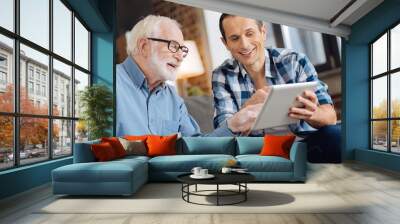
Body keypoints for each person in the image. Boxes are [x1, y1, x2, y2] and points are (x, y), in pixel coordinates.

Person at [212, 14, 341, 163]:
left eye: (250, 33)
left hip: (304, 145)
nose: (244, 44)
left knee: (335, 134)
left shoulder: (294, 61)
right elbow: (222, 134)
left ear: (263, 32)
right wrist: (247, 108)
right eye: (235, 38)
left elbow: (330, 117)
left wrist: (312, 113)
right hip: (258, 151)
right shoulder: (222, 75)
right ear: (225, 43)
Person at [116, 15, 262, 138]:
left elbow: (195, 147)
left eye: (182, 49)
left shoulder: (173, 99)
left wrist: (233, 125)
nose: (180, 56)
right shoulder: (109, 82)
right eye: (173, 46)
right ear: (144, 46)